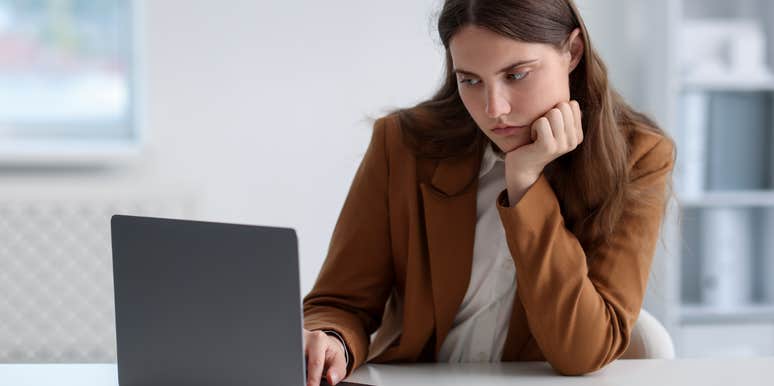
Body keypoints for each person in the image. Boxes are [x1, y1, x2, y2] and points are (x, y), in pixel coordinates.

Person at [302, 0, 675, 385]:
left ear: (573, 51)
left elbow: (583, 350)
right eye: (471, 80)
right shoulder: (403, 145)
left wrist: (527, 184)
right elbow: (340, 303)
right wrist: (331, 340)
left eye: (516, 75)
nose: (494, 108)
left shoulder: (639, 158)